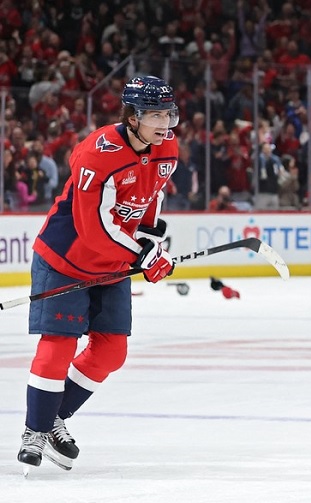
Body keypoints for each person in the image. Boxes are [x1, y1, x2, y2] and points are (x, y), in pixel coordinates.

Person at [17, 75, 180, 474]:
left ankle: (55, 417)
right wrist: (142, 253)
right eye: (155, 114)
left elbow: (147, 198)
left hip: (112, 264)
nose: (165, 123)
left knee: (111, 351)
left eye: (169, 113)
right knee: (58, 345)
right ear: (133, 116)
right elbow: (93, 227)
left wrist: (150, 242)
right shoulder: (97, 154)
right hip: (65, 260)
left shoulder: (167, 148)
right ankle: (35, 432)